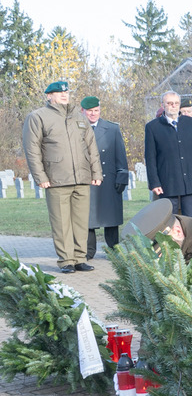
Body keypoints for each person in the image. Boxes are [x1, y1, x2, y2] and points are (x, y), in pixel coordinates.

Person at [22, 80, 102, 273]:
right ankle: (66, 260)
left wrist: (96, 172)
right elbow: (32, 149)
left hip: (82, 178)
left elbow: (91, 146)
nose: (64, 95)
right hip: (56, 179)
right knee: (61, 222)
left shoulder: (78, 116)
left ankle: (80, 258)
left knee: (81, 222)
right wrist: (40, 176)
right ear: (49, 96)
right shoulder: (37, 117)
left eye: (66, 92)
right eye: (59, 92)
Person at [144, 91, 192, 217]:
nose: (173, 106)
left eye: (176, 103)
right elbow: (150, 157)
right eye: (169, 103)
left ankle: (189, 238)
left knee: (191, 219)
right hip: (167, 180)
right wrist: (154, 182)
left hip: (190, 179)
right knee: (169, 219)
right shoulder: (152, 127)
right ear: (163, 105)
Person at [81, 96, 128, 259]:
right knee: (88, 217)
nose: (93, 114)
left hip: (109, 178)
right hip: (86, 179)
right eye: (90, 111)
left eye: (96, 111)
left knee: (111, 217)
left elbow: (120, 154)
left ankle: (114, 249)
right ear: (83, 111)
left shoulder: (112, 129)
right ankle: (88, 251)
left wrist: (123, 175)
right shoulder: (76, 129)